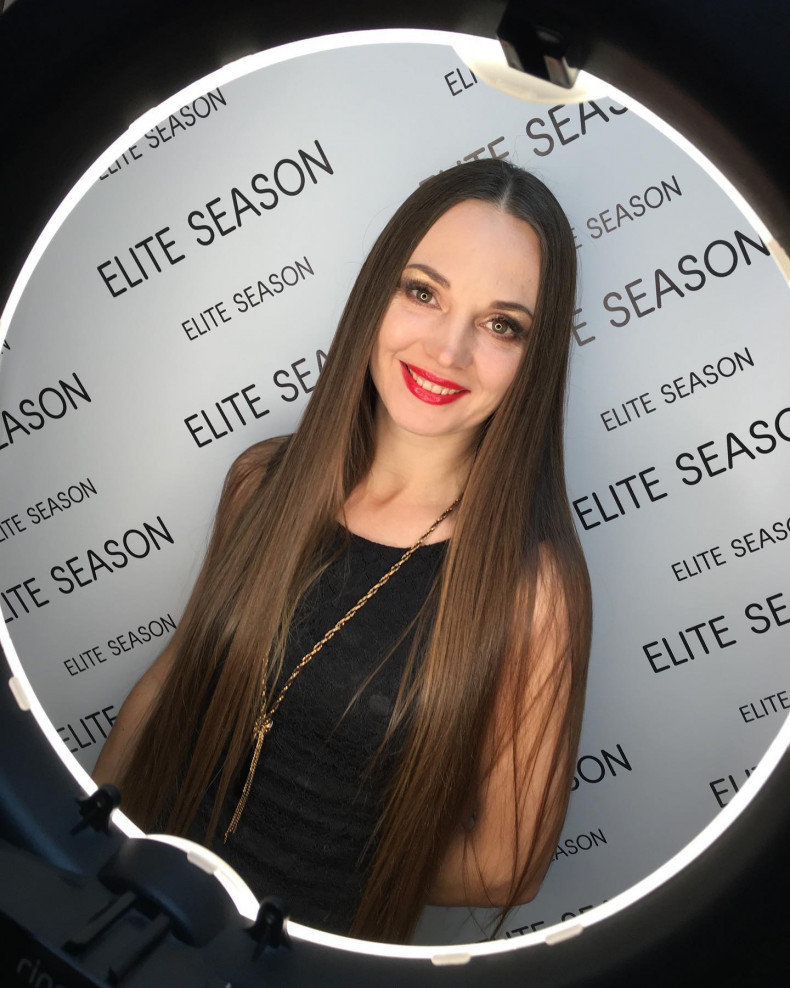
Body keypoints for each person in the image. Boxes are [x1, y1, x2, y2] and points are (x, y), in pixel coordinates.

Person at [93, 158, 592, 945]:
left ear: (537, 356)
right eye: (423, 292)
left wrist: (321, 871)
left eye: (502, 325)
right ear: (376, 294)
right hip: (132, 912)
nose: (448, 349)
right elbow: (170, 680)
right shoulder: (262, 481)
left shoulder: (533, 589)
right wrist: (84, 849)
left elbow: (510, 864)